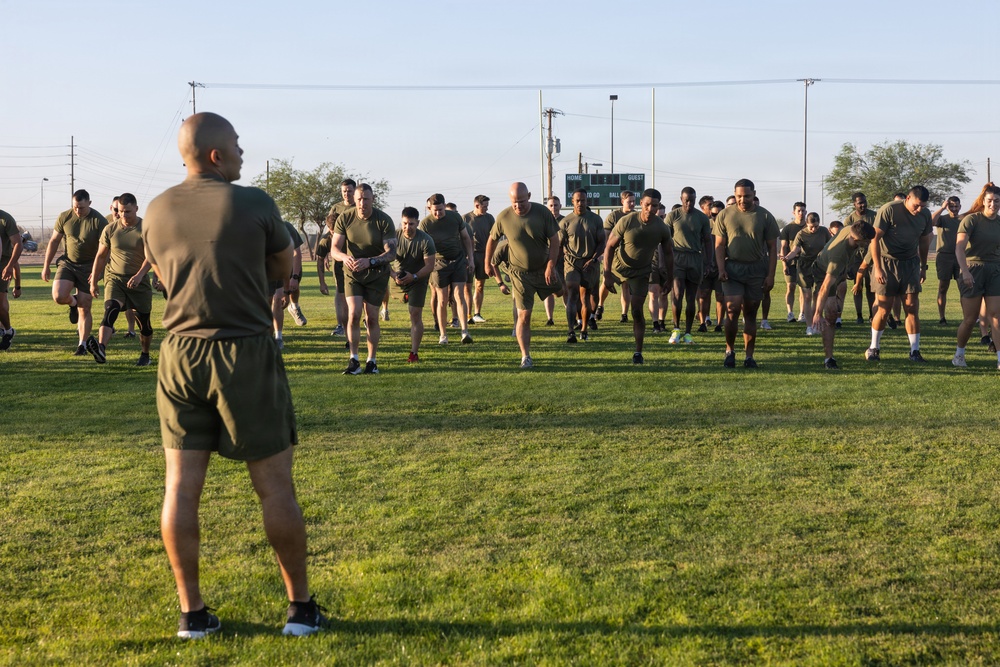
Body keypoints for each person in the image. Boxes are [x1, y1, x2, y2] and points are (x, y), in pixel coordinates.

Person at [142, 112, 322, 638]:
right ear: (217, 155)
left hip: (179, 354)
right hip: (243, 350)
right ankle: (300, 610)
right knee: (275, 487)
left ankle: (192, 615)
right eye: (237, 145)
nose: (243, 152)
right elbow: (282, 269)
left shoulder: (155, 208)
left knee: (180, 488)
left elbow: (164, 275)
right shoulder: (255, 203)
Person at [485, 182, 562, 369]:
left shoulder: (542, 213)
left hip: (543, 268)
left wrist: (551, 265)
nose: (518, 205)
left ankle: (576, 324)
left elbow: (554, 240)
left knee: (562, 292)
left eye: (521, 201)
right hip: (519, 274)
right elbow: (492, 240)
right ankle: (525, 356)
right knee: (524, 316)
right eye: (514, 202)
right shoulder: (504, 217)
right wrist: (487, 263)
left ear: (529, 196)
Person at [331, 183, 397, 374]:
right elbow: (334, 249)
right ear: (354, 199)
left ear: (373, 199)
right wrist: (345, 257)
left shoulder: (383, 220)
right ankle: (354, 360)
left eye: (366, 199)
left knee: (372, 317)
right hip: (353, 273)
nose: (362, 203)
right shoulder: (345, 218)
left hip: (376, 274)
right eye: (359, 199)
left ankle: (372, 361)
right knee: (353, 313)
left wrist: (371, 261)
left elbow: (391, 253)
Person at [603, 188, 673, 364]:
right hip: (619, 265)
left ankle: (638, 352)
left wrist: (670, 278)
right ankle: (596, 310)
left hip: (641, 271)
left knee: (636, 310)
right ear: (641, 203)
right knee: (601, 290)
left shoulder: (662, 228)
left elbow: (669, 253)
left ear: (658, 206)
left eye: (654, 206)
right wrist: (607, 274)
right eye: (647, 204)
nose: (650, 209)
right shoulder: (627, 221)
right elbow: (609, 246)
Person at [715, 179, 779, 368]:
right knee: (732, 309)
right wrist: (721, 268)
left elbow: (772, 248)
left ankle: (749, 356)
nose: (742, 200)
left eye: (747, 196)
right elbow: (719, 245)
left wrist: (770, 275)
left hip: (756, 269)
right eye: (739, 196)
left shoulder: (765, 216)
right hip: (732, 269)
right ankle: (729, 351)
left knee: (750, 313)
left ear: (754, 194)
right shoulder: (725, 215)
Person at [866, 185, 933, 362]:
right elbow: (875, 239)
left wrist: (923, 266)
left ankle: (914, 351)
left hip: (910, 263)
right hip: (887, 262)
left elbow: (924, 241)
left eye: (923, 206)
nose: (919, 210)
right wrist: (878, 268)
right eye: (916, 205)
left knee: (911, 307)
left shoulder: (925, 215)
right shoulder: (889, 209)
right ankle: (873, 348)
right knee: (884, 309)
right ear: (908, 198)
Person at [86, 193, 154, 366]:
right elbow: (101, 256)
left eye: (127, 211)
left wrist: (139, 275)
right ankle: (101, 348)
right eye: (120, 211)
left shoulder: (146, 228)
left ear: (136, 209)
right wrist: (93, 281)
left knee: (144, 323)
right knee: (111, 309)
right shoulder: (110, 229)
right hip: (114, 278)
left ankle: (145, 355)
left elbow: (151, 256)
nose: (123, 215)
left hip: (139, 281)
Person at [42, 190, 108, 355]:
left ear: (89, 203)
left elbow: (106, 251)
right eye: (75, 207)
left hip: (89, 266)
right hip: (68, 263)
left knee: (84, 307)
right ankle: (73, 302)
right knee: (58, 296)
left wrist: (98, 272)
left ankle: (82, 345)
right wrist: (46, 265)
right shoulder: (65, 217)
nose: (78, 210)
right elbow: (54, 241)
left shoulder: (99, 221)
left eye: (81, 207)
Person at [804, 219, 877, 368]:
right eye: (867, 241)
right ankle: (828, 359)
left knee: (834, 309)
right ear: (857, 240)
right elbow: (825, 287)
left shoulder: (851, 229)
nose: (869, 243)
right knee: (831, 314)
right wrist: (817, 314)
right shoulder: (838, 258)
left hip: (839, 269)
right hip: (823, 271)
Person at [952, 185, 1000, 368]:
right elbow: (959, 248)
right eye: (990, 200)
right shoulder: (971, 220)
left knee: (996, 316)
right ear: (983, 201)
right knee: (970, 319)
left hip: (995, 269)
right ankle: (959, 355)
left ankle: (999, 359)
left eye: (997, 201)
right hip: (973, 268)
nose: (993, 204)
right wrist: (965, 271)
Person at [420, 193, 474, 345]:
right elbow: (422, 247)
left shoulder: (455, 218)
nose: (438, 213)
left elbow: (466, 238)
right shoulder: (425, 224)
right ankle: (443, 335)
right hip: (438, 263)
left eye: (440, 210)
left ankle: (465, 332)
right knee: (442, 299)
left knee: (459, 295)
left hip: (458, 260)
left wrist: (471, 258)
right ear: (429, 208)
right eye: (434, 210)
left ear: (445, 206)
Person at [665, 187, 712, 344]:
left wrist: (708, 262)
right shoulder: (673, 215)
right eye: (686, 200)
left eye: (692, 200)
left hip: (695, 258)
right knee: (677, 293)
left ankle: (688, 333)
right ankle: (676, 329)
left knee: (691, 298)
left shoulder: (702, 218)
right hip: (678, 257)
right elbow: (664, 240)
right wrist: (664, 262)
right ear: (681, 199)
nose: (689, 203)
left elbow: (707, 241)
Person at [559, 188, 605, 343]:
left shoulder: (595, 220)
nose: (580, 203)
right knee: (572, 294)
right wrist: (552, 266)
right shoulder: (565, 222)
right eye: (577, 200)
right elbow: (559, 245)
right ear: (572, 201)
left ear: (587, 201)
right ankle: (571, 331)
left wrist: (593, 259)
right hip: (572, 262)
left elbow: (602, 243)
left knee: (585, 297)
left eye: (583, 200)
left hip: (589, 262)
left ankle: (584, 329)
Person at [391, 206, 436, 362]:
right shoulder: (393, 236)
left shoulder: (426, 240)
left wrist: (414, 276)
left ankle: (414, 353)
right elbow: (382, 259)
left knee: (415, 314)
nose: (407, 227)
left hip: (418, 279)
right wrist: (393, 275)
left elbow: (429, 266)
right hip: (397, 278)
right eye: (404, 223)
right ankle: (404, 296)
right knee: (383, 299)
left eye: (411, 224)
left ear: (417, 223)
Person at [789, 212, 831, 335]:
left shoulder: (824, 231)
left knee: (818, 295)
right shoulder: (801, 234)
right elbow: (795, 250)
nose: (814, 229)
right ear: (807, 224)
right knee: (807, 296)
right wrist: (787, 257)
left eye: (816, 226)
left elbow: (830, 246)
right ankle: (809, 326)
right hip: (805, 266)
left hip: (820, 265)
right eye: (811, 227)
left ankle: (816, 322)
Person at [597, 190, 636, 322]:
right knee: (606, 282)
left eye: (634, 201)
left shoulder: (636, 216)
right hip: (613, 256)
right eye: (629, 201)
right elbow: (606, 237)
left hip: (628, 257)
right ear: (622, 201)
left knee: (626, 285)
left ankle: (624, 314)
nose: (632, 204)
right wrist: (605, 254)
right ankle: (600, 305)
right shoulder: (614, 216)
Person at [325, 179, 356, 336]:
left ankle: (360, 320)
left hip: (356, 255)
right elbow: (330, 231)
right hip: (339, 257)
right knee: (340, 290)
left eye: (349, 191)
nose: (346, 194)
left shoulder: (359, 207)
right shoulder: (336, 208)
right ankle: (341, 325)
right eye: (344, 191)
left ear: (354, 191)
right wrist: (327, 253)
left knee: (358, 290)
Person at [842, 192, 877, 324]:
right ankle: (859, 315)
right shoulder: (849, 219)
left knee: (870, 286)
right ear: (854, 204)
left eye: (864, 202)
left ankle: (872, 314)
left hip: (870, 253)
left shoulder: (874, 216)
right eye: (860, 203)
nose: (863, 205)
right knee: (857, 286)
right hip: (855, 255)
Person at [270, 221, 304, 350]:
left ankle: (278, 337)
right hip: (263, 271)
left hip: (280, 270)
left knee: (278, 300)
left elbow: (296, 253)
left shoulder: (286, 228)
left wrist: (293, 279)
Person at [463, 194, 494, 323]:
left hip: (483, 255)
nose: (487, 208)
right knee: (467, 286)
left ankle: (477, 313)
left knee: (480, 285)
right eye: (484, 206)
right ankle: (467, 315)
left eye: (487, 206)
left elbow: (494, 237)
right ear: (477, 205)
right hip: (469, 255)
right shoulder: (465, 218)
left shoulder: (489, 218)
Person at [932, 196, 963, 325]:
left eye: (956, 206)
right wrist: (942, 208)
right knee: (943, 287)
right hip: (944, 256)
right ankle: (942, 317)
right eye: (951, 206)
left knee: (963, 288)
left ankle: (967, 317)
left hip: (960, 257)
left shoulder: (964, 219)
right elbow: (931, 221)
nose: (954, 209)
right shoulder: (942, 219)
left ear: (960, 206)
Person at [778, 202, 807, 323]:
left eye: (803, 211)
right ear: (793, 212)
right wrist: (784, 264)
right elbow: (784, 247)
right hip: (791, 261)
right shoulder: (788, 228)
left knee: (804, 288)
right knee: (791, 286)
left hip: (805, 262)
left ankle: (802, 313)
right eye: (798, 211)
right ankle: (790, 313)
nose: (801, 213)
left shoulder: (809, 226)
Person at [0, 209, 22, 350]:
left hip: (3, 264)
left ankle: (8, 331)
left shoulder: (5, 219)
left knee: (1, 303)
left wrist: (17, 285)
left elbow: (18, 244)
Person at [543, 195, 564, 326]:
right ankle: (550, 318)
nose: (554, 208)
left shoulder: (565, 221)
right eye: (551, 205)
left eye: (556, 205)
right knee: (548, 289)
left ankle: (570, 315)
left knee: (565, 288)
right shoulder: (543, 222)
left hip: (563, 260)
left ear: (560, 206)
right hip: (548, 260)